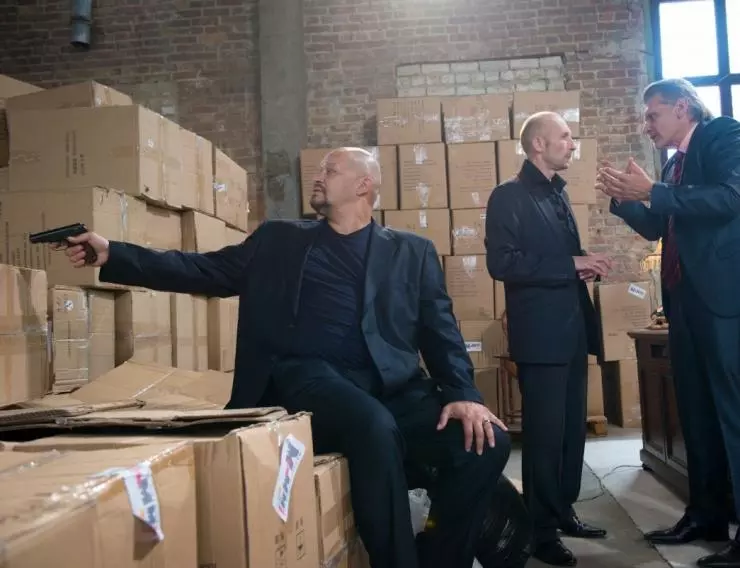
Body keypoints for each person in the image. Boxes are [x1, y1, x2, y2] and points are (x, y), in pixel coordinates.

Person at [57, 147, 511, 568]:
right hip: (306, 378)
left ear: (364, 185)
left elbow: (440, 329)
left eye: (330, 170)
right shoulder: (279, 239)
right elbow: (204, 269)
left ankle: (438, 558)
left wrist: (463, 393)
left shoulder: (412, 251)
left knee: (487, 442)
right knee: (372, 426)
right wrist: (113, 254)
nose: (318, 176)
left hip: (391, 385)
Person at [598, 77, 740, 568]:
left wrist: (655, 191)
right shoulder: (673, 164)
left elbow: (730, 198)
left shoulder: (723, 134)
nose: (647, 125)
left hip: (723, 301)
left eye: (652, 114)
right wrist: (626, 200)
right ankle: (706, 515)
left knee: (733, 415)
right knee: (695, 413)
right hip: (684, 302)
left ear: (683, 107)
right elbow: (660, 226)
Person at [485, 111, 611, 566]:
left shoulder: (558, 193)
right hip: (540, 336)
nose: (572, 144)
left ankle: (561, 511)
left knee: (571, 431)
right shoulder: (508, 196)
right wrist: (571, 264)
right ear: (538, 144)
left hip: (572, 329)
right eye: (565, 136)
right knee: (544, 436)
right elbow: (502, 263)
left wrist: (584, 263)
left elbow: (557, 257)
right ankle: (539, 532)